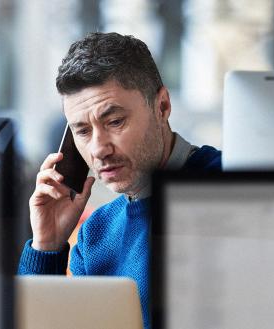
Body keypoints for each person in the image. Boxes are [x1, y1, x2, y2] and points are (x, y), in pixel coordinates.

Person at [18, 32, 221, 328]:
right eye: (83, 132)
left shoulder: (233, 188)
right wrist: (46, 247)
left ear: (162, 106)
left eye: (114, 122)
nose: (99, 149)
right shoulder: (96, 235)